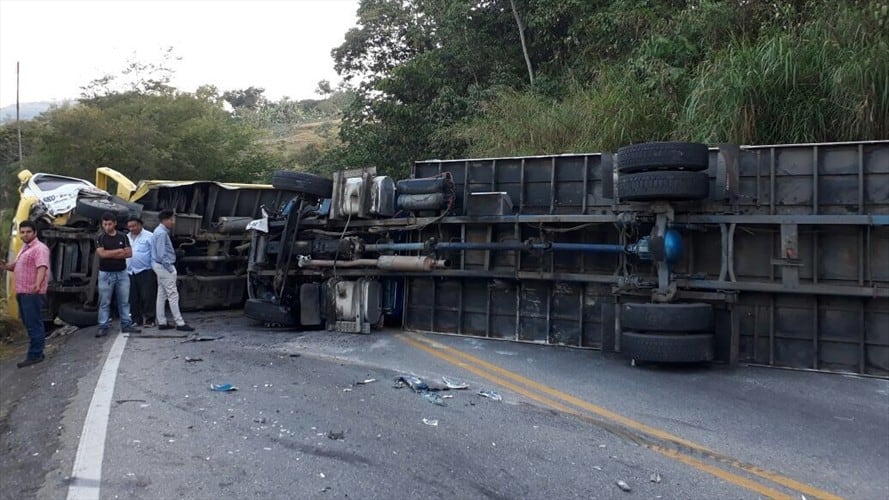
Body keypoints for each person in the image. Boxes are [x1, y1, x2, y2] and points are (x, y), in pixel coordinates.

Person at [1, 220, 50, 368]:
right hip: (23, 291)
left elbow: (42, 267)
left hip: (32, 292)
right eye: (22, 232)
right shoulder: (24, 248)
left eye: (28, 232)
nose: (25, 234)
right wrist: (5, 266)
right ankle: (37, 352)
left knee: (34, 323)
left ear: (35, 233)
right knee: (29, 323)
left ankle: (35, 355)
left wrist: (37, 284)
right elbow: (16, 267)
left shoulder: (39, 249)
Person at [96, 212, 141, 337]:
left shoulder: (123, 237)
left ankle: (126, 324)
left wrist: (110, 253)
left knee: (124, 300)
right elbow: (102, 254)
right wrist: (119, 251)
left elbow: (129, 253)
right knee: (105, 301)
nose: (107, 227)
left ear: (115, 223)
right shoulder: (100, 238)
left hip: (121, 272)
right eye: (105, 224)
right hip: (106, 274)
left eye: (109, 224)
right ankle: (103, 325)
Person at [151, 210, 194, 332]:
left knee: (162, 294)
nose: (173, 222)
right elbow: (161, 255)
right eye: (172, 219)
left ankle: (162, 322)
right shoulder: (162, 233)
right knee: (173, 295)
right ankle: (180, 323)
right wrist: (170, 268)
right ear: (165, 220)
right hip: (164, 267)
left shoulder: (159, 231)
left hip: (159, 267)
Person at [126, 217, 157, 327]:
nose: (132, 228)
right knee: (132, 297)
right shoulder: (127, 237)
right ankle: (135, 319)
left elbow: (155, 253)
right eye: (129, 226)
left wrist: (154, 269)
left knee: (147, 296)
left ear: (140, 225)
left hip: (145, 271)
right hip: (130, 271)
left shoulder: (149, 236)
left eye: (134, 226)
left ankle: (150, 319)